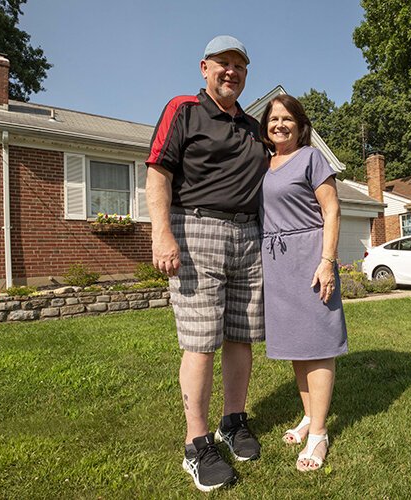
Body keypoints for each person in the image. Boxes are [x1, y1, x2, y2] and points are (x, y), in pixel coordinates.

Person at [145, 35, 268, 492]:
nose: (231, 71)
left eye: (239, 65)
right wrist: (162, 232)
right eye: (223, 63)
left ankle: (233, 422)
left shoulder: (255, 128)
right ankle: (196, 444)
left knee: (241, 335)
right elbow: (158, 171)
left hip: (249, 236)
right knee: (200, 341)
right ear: (204, 68)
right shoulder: (184, 110)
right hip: (196, 230)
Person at [259, 95, 348, 472]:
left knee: (318, 341)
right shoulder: (265, 164)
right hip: (276, 262)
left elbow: (331, 209)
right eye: (273, 118)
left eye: (287, 118)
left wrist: (327, 261)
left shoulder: (312, 158)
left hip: (309, 257)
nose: (280, 124)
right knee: (297, 343)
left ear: (300, 124)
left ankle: (320, 434)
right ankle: (308, 416)